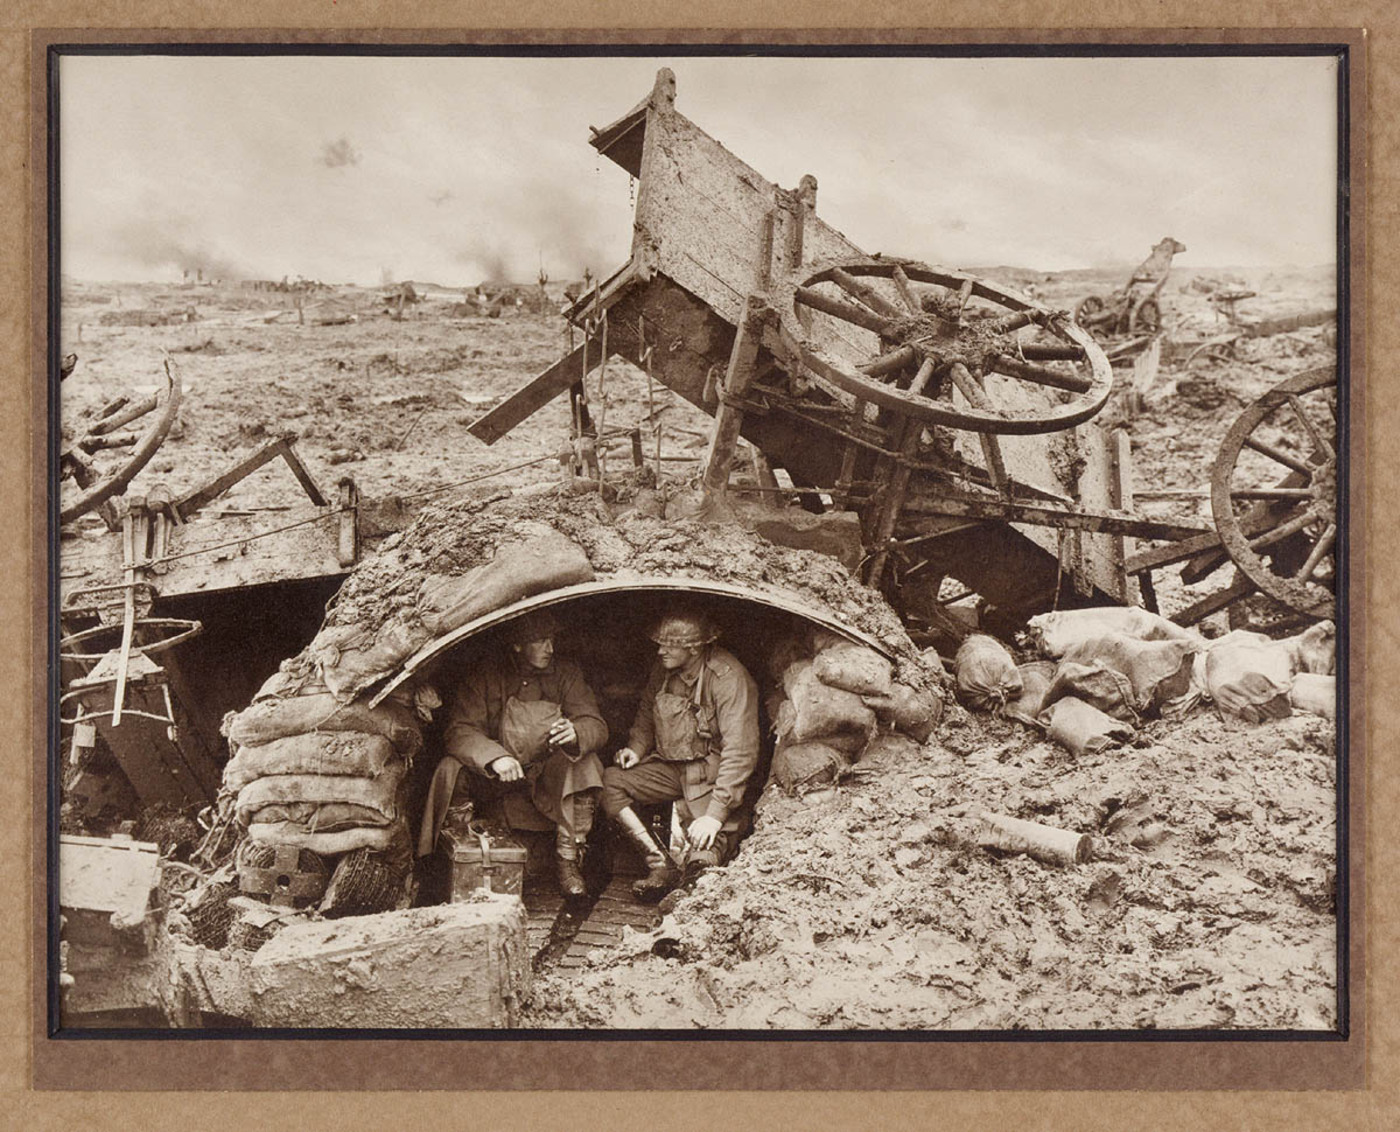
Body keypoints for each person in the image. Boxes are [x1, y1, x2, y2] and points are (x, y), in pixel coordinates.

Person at [417, 610, 607, 897]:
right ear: (517, 645)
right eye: (541, 641)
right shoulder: (486, 676)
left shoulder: (566, 674)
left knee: (587, 763)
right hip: (498, 781)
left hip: (545, 779)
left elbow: (595, 723)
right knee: (450, 769)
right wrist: (494, 757)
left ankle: (568, 859)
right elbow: (460, 729)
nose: (550, 649)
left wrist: (577, 732)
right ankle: (464, 856)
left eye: (552, 640)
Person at [603, 609, 760, 902]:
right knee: (613, 781)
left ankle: (691, 887)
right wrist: (636, 749)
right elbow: (647, 714)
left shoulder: (728, 679)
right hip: (670, 766)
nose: (660, 650)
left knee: (706, 851)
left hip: (710, 775)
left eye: (669, 644)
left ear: (694, 647)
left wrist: (715, 815)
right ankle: (660, 866)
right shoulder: (663, 669)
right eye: (660, 643)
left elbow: (741, 752)